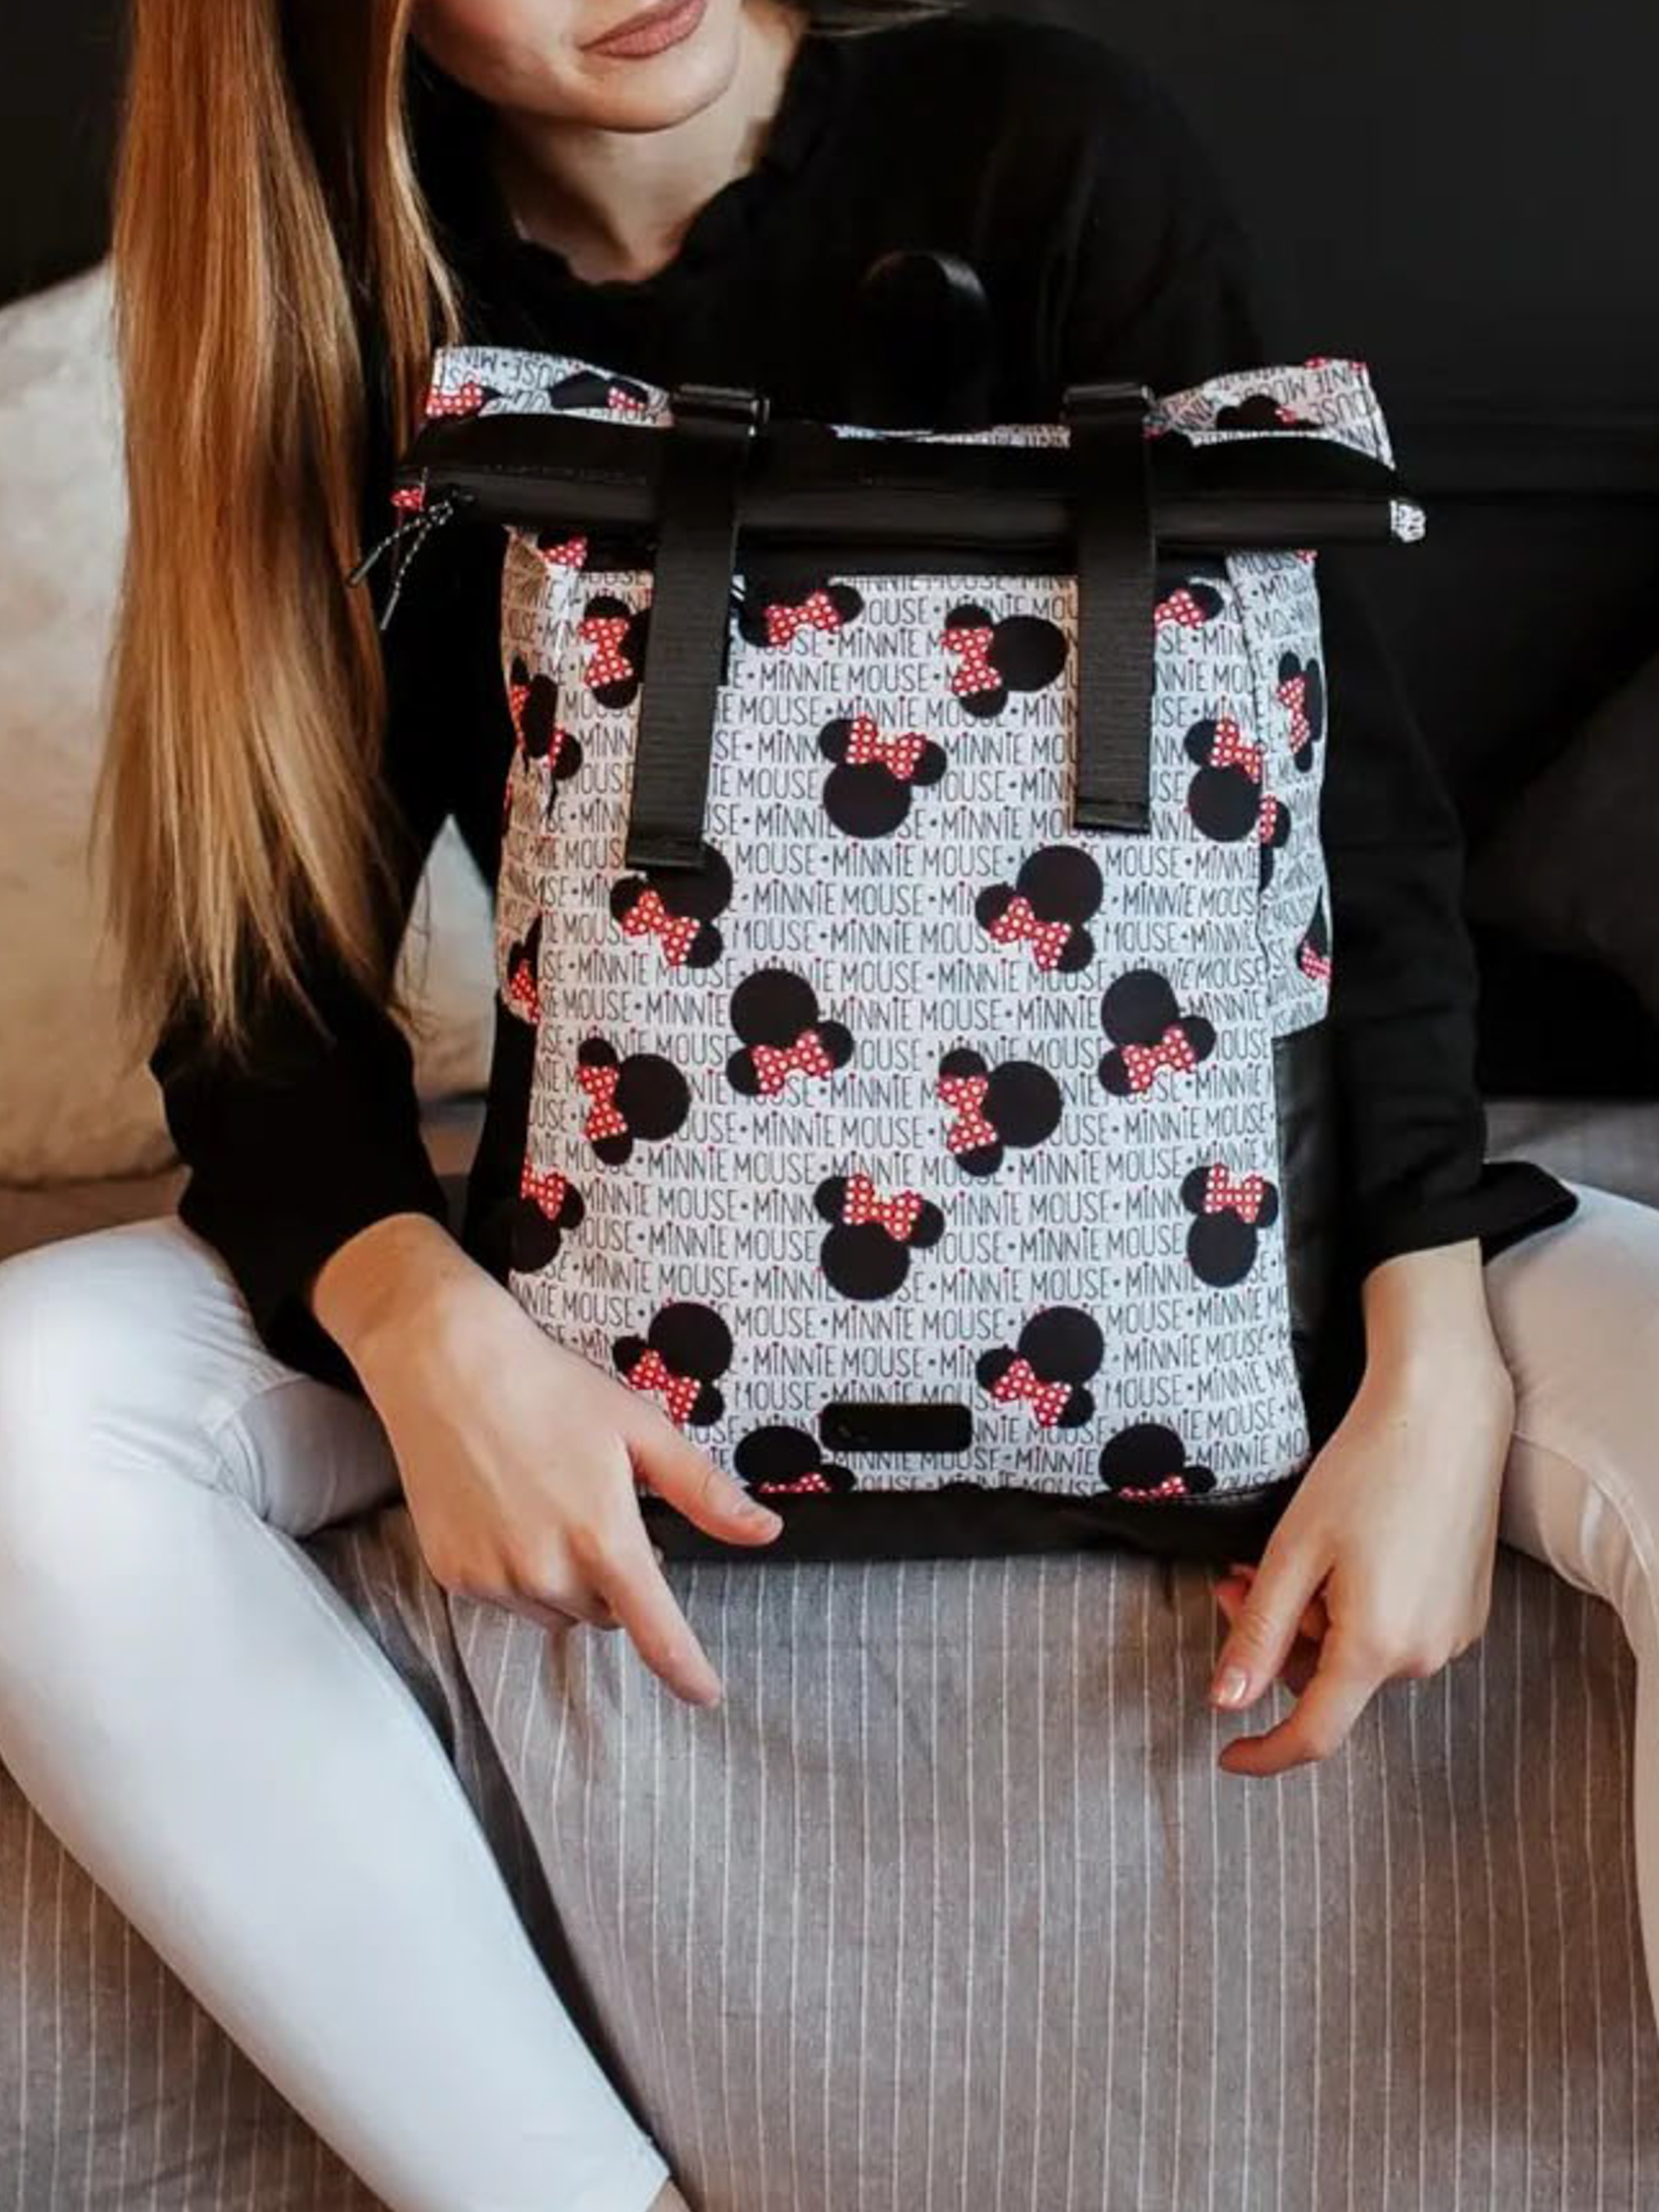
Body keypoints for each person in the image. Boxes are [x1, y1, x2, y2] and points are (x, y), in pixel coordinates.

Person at [0, 1, 1654, 2206]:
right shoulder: (357, 314)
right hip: (603, 1247)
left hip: (1242, 1225)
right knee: (24, 1416)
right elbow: (262, 979)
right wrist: (424, 1328)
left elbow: (1355, 826)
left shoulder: (1040, 146)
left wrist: (1430, 1359)